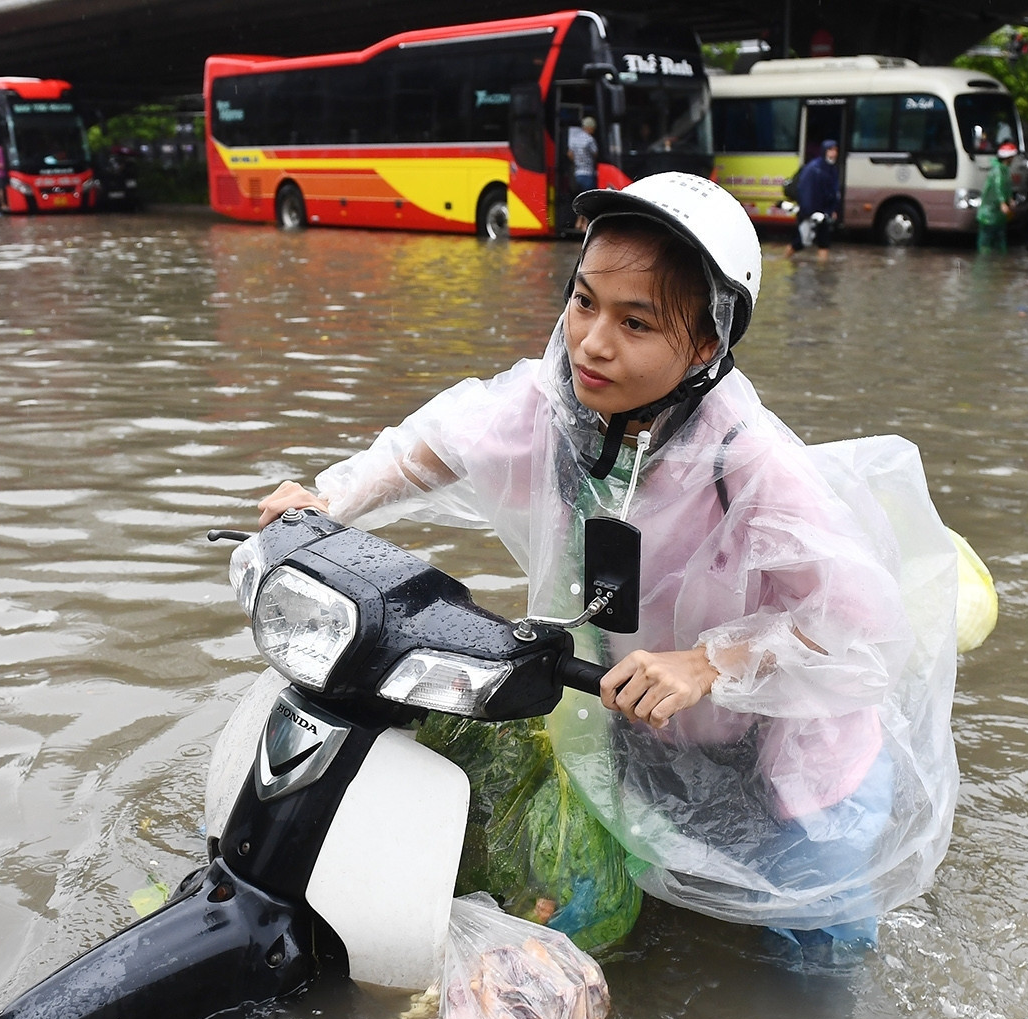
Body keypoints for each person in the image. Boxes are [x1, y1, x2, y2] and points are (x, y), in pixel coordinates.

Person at [249, 173, 960, 964]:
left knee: (811, 959)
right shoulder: (555, 406)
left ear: (704, 346)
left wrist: (708, 663)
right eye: (584, 301)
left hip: (795, 754)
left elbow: (859, 628)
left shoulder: (751, 462)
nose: (592, 340)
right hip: (644, 727)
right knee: (634, 914)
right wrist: (330, 498)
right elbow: (435, 446)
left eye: (636, 321)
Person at [789, 139, 842, 259]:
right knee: (800, 242)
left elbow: (832, 192)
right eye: (830, 150)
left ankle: (822, 272)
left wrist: (831, 210)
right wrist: (808, 212)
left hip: (824, 213)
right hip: (810, 213)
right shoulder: (814, 169)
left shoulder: (832, 168)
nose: (833, 153)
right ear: (824, 151)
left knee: (824, 243)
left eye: (835, 150)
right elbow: (806, 191)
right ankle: (783, 260)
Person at [977, 141, 1018, 253]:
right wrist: (1002, 203)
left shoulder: (1005, 170)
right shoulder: (997, 170)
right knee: (986, 241)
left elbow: (1007, 187)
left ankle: (998, 265)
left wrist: (1009, 199)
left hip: (998, 214)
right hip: (989, 213)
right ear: (1008, 157)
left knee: (999, 240)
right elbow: (997, 186)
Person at [568, 115, 599, 230]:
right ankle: (584, 225)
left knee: (579, 200)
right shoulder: (590, 140)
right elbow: (595, 154)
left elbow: (570, 154)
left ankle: (577, 223)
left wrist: (578, 161)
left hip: (577, 174)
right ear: (589, 127)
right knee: (587, 202)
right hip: (588, 174)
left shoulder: (575, 139)